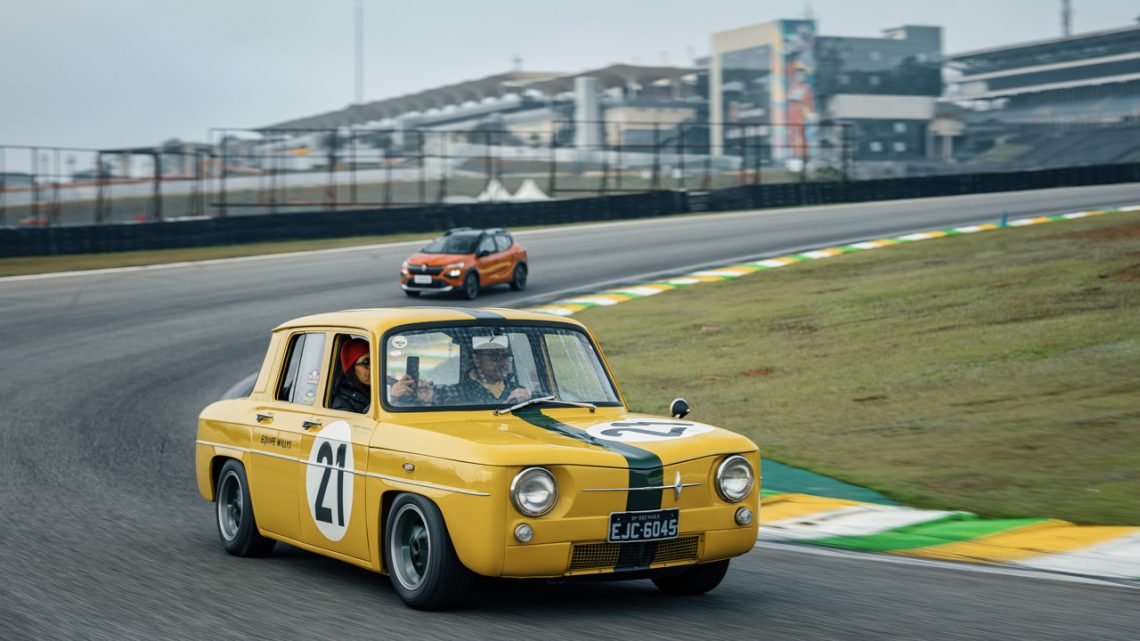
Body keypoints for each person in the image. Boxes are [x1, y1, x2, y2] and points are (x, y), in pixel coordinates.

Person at [391, 337, 531, 407]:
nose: (502, 362)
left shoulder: (518, 391)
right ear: (477, 359)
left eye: (505, 357)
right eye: (495, 356)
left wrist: (529, 397)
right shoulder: (450, 392)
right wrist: (396, 398)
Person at [330, 338, 370, 413]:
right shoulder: (340, 402)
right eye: (366, 363)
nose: (373, 367)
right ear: (351, 368)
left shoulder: (384, 384)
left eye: (375, 361)